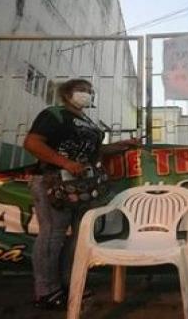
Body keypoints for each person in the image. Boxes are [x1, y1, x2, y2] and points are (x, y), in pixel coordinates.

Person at [23, 78, 138, 310]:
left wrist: (122, 145)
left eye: (89, 91)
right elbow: (32, 143)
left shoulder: (87, 120)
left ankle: (69, 284)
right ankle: (46, 291)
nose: (86, 94)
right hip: (52, 180)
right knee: (52, 234)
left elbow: (96, 151)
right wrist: (65, 163)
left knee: (79, 236)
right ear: (67, 93)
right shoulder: (54, 114)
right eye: (81, 90)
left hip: (82, 185)